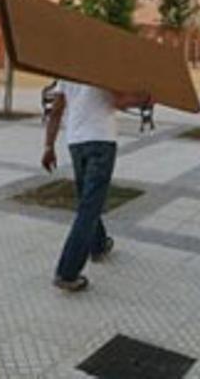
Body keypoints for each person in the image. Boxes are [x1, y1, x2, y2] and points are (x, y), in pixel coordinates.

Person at [42, 80, 150, 292]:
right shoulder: (102, 64)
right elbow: (119, 100)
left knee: (88, 200)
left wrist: (48, 146)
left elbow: (56, 111)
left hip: (76, 142)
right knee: (89, 206)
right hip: (101, 140)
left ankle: (98, 245)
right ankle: (67, 272)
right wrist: (144, 98)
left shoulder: (67, 70)